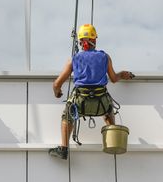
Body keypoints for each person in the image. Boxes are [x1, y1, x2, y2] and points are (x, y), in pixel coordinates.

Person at [48, 24, 135, 160]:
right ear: (94, 41)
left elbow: (56, 84)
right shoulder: (105, 57)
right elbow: (113, 79)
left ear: (81, 42)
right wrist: (122, 74)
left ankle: (64, 149)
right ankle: (112, 141)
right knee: (109, 109)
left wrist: (57, 93)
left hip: (80, 105)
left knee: (67, 115)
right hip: (101, 104)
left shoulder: (74, 59)